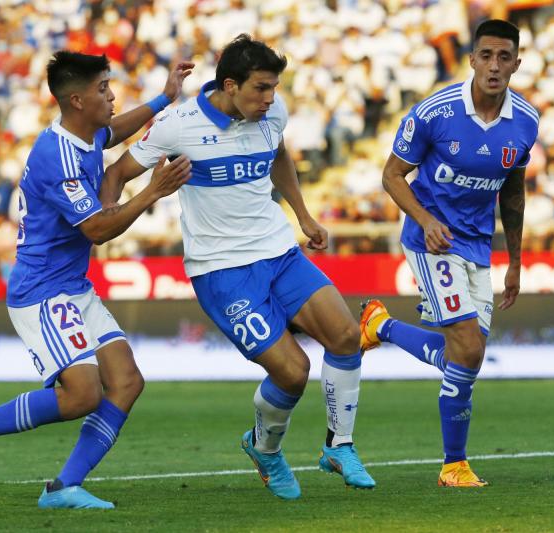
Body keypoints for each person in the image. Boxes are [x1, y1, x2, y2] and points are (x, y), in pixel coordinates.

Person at [102, 34, 375, 500]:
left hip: (279, 252)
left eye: (273, 89)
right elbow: (116, 173)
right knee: (293, 372)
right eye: (261, 89)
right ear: (230, 85)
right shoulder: (178, 125)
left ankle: (339, 445)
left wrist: (304, 216)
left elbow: (280, 156)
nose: (270, 99)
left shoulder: (273, 114)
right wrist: (108, 222)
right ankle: (265, 449)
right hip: (221, 271)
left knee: (348, 335)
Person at [0, 51, 194, 509]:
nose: (111, 95)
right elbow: (96, 229)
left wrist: (164, 98)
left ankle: (64, 487)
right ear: (76, 100)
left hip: (72, 285)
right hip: (41, 290)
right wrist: (152, 190)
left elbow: (113, 133)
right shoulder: (56, 157)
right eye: (102, 89)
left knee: (128, 381)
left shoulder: (88, 133)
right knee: (82, 395)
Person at [360, 20, 538, 487]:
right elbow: (393, 175)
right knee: (468, 346)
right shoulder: (434, 113)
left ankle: (381, 326)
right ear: (472, 60)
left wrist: (514, 261)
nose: (495, 66)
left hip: (478, 245)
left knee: (468, 356)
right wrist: (425, 220)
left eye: (505, 58)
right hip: (430, 240)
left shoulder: (526, 122)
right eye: (486, 56)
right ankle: (453, 465)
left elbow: (513, 192)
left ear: (517, 63)